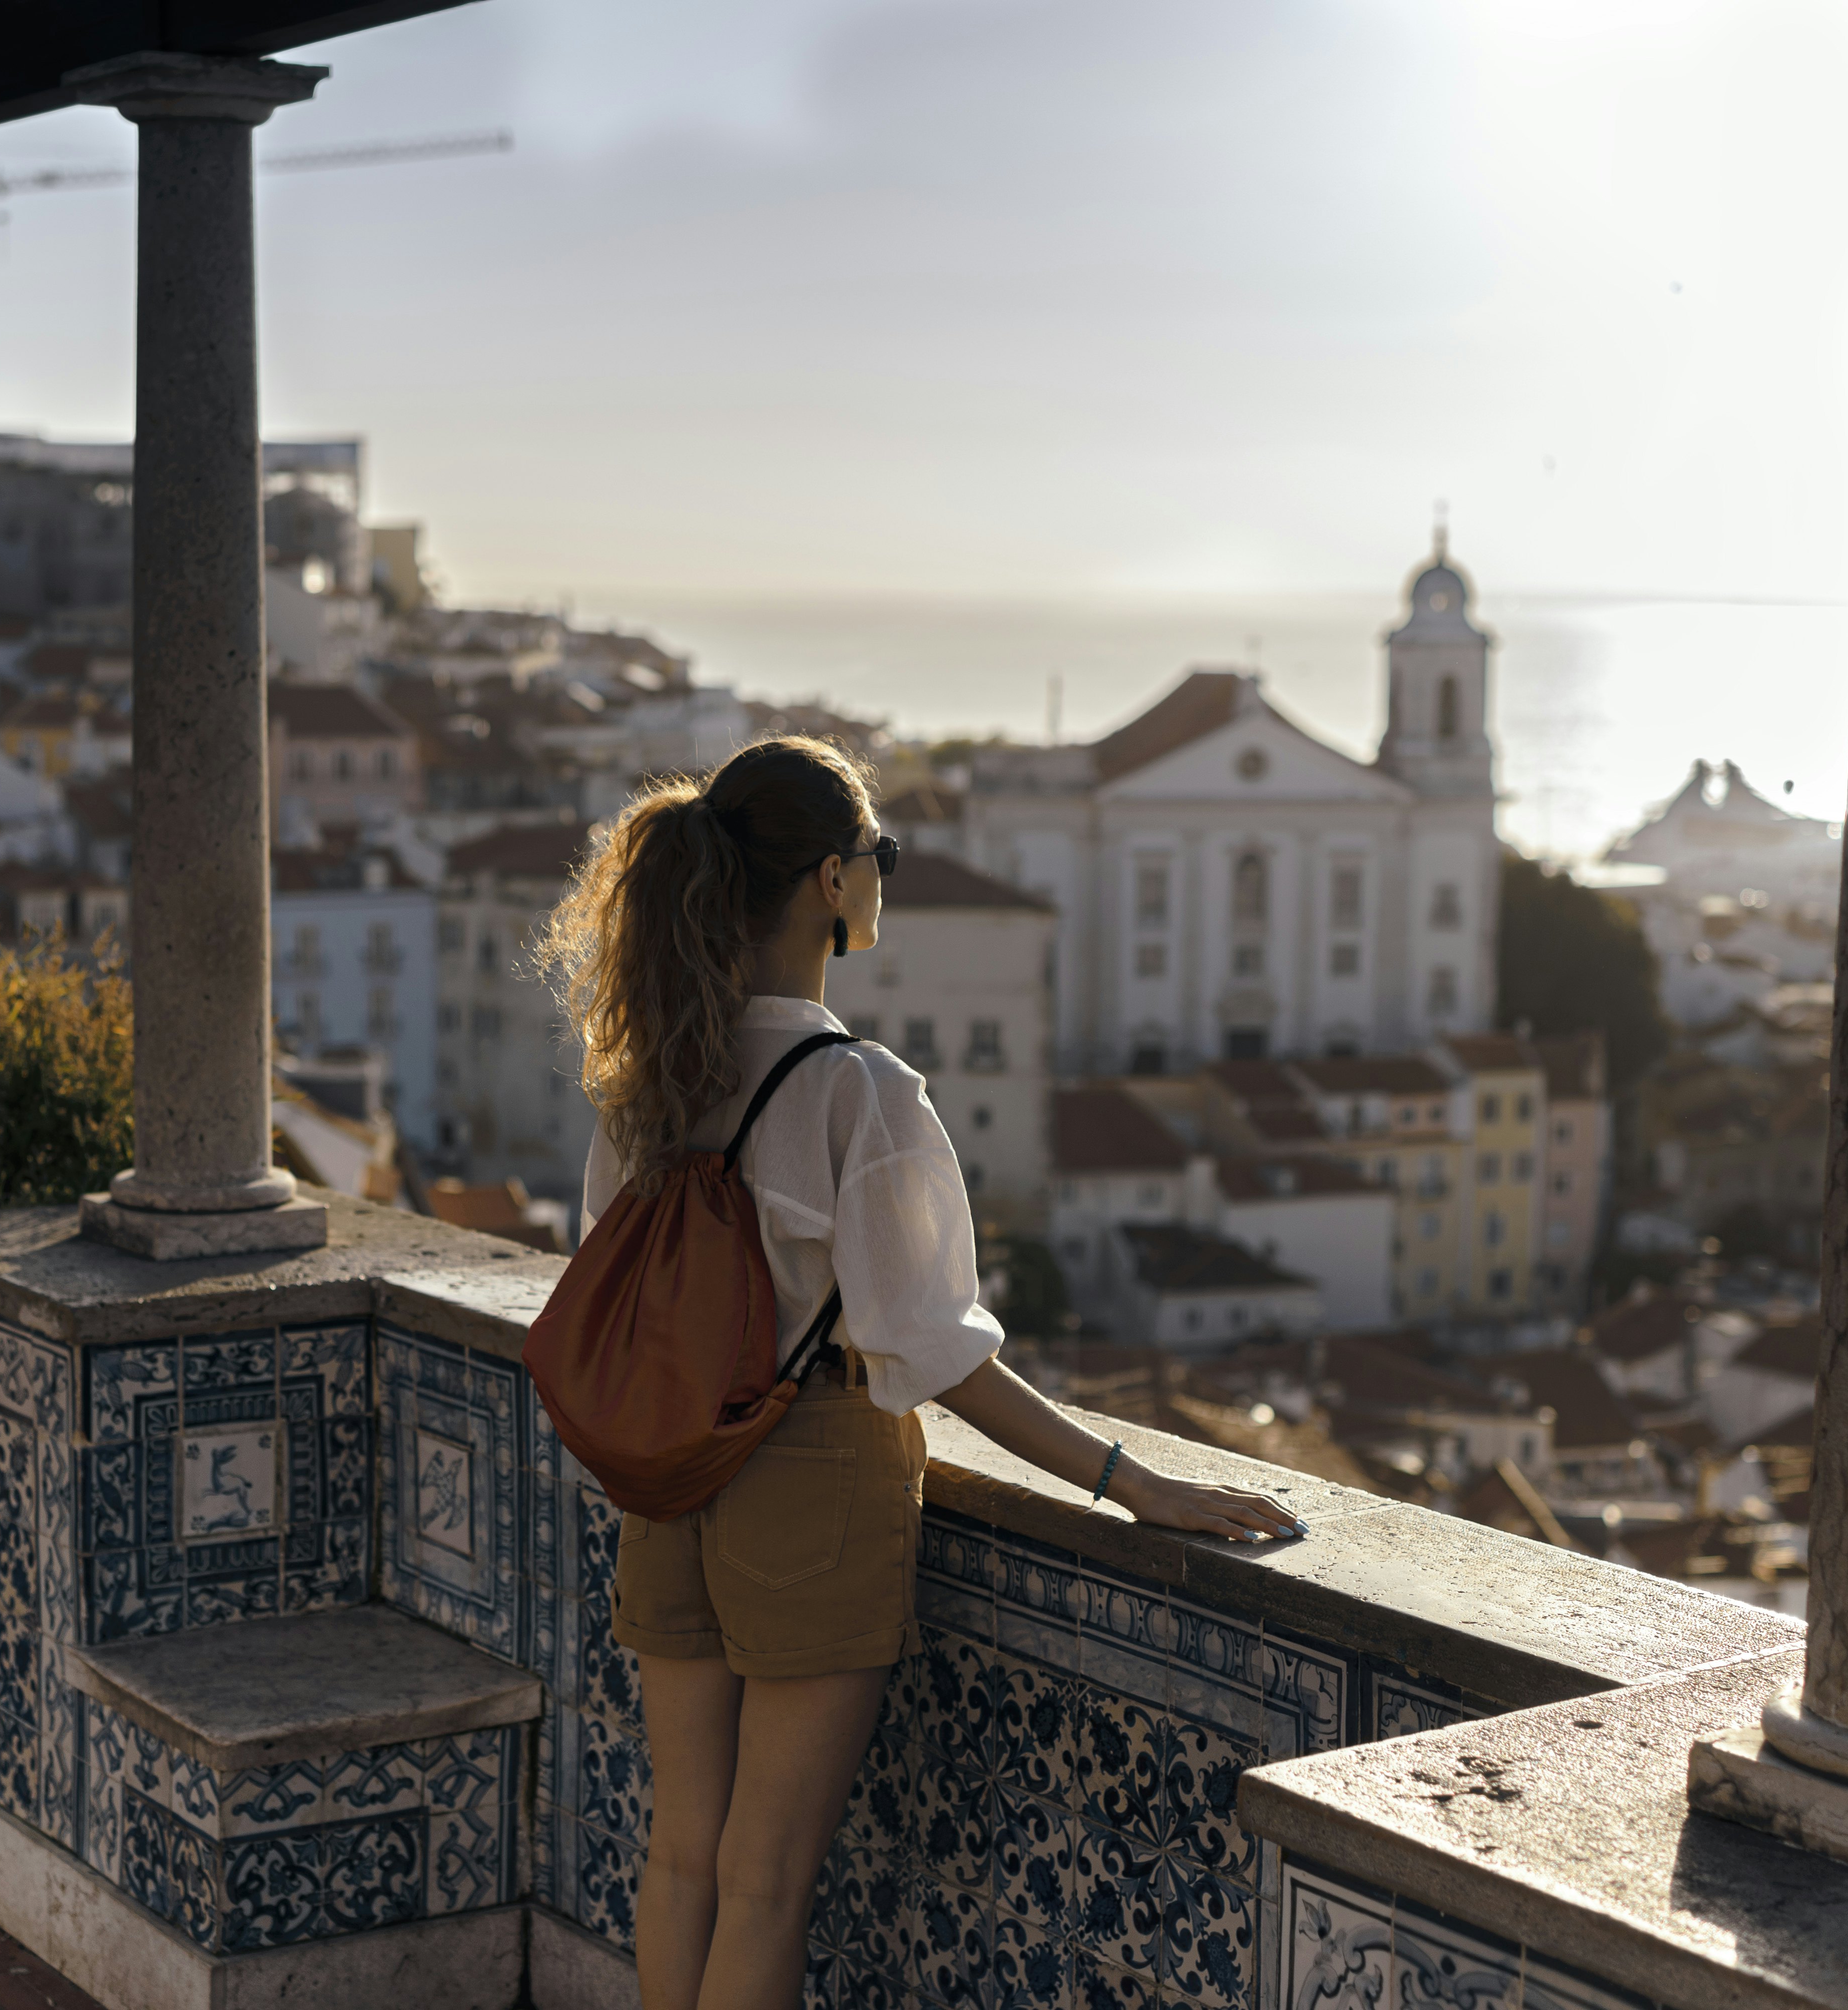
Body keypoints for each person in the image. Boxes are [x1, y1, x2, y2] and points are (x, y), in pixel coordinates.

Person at [538, 737, 1306, 2010]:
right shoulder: (859, 1092)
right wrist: (1131, 1478)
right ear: (831, 881)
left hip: (671, 1478)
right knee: (769, 1873)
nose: (885, 880)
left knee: (684, 1851)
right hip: (809, 1477)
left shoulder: (651, 1080)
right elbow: (934, 1348)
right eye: (879, 858)